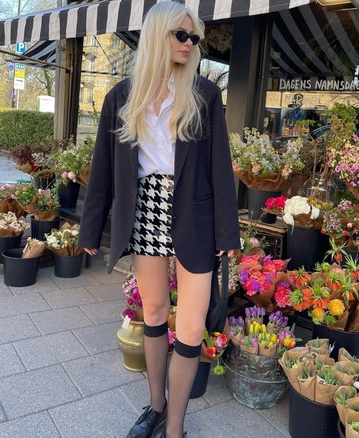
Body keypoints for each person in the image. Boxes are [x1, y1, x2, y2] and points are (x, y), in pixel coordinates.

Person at [78, 3, 240, 437]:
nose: (190, 44)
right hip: (144, 206)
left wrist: (227, 231)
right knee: (153, 311)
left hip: (195, 210)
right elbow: (103, 170)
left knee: (190, 324)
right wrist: (90, 228)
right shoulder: (121, 97)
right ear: (157, 36)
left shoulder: (204, 94)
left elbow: (221, 167)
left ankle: (175, 427)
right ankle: (155, 407)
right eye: (181, 35)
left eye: (194, 37)